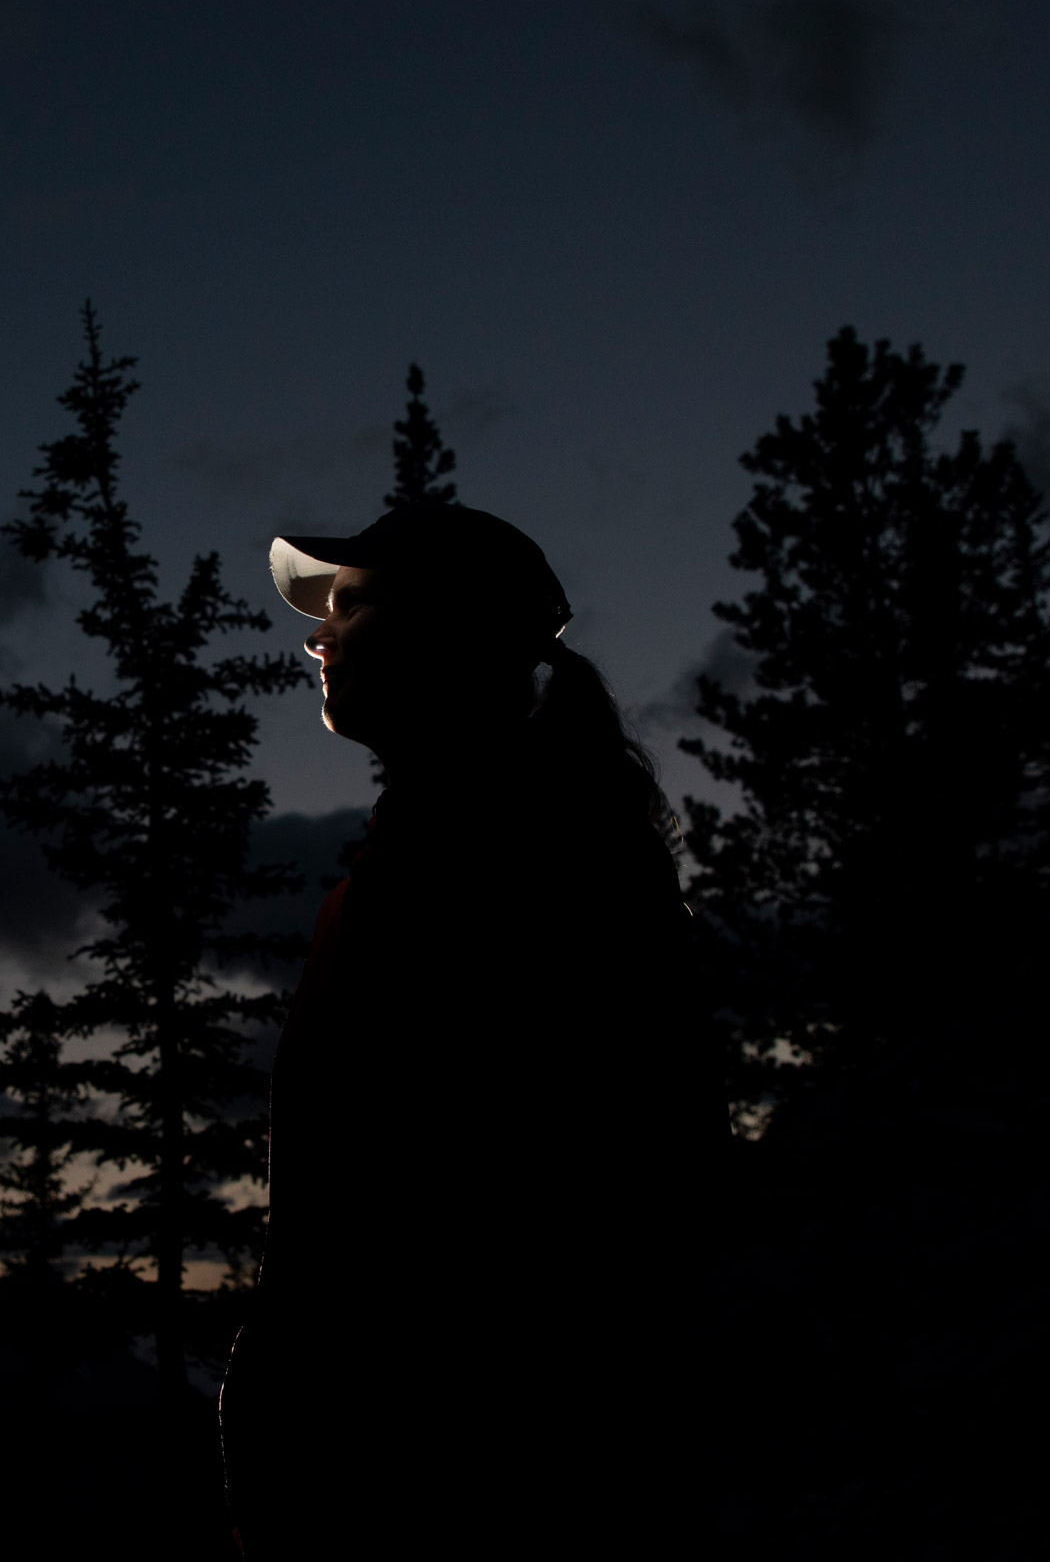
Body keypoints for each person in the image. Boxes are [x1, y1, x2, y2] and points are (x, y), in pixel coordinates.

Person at [220, 502, 715, 1557]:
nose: (317, 636)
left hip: (459, 1484)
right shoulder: (456, 850)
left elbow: (533, 1198)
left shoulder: (514, 862)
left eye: (347, 607)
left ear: (434, 634)